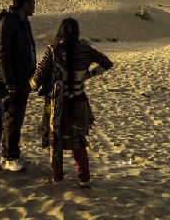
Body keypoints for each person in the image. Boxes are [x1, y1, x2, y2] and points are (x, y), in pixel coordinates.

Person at [32, 18, 113, 188]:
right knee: (78, 141)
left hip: (56, 104)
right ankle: (83, 179)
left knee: (55, 140)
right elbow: (107, 63)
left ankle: (58, 177)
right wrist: (88, 75)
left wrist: (30, 85)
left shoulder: (52, 50)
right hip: (78, 102)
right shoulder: (86, 49)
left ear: (60, 31)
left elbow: (37, 78)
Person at [0, 0, 36, 172]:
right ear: (24, 3)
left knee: (18, 117)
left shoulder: (23, 21)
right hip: (13, 79)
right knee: (12, 117)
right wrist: (9, 81)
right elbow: (3, 54)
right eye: (32, 2)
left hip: (24, 77)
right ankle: (8, 157)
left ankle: (14, 153)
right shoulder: (8, 22)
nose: (34, 6)